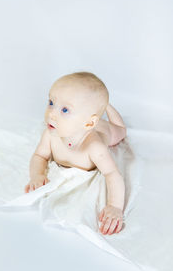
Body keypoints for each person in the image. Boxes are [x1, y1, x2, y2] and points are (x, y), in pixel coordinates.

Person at [24, 72, 127, 236]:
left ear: (88, 122)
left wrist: (115, 206)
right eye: (51, 102)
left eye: (65, 110)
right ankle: (100, 106)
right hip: (90, 122)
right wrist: (37, 175)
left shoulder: (95, 147)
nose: (51, 113)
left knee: (120, 131)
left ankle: (107, 106)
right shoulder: (51, 135)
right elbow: (39, 156)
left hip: (103, 129)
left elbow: (112, 174)